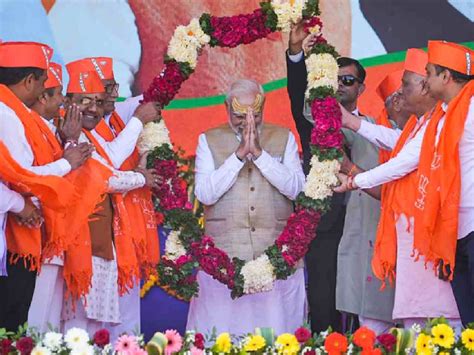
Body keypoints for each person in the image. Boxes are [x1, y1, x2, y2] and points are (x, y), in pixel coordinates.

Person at [335, 47, 461, 330]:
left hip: (429, 243)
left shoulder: (441, 122)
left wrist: (354, 178)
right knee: (417, 328)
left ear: (427, 87)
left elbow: (402, 162)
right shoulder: (423, 124)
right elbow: (396, 141)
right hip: (412, 247)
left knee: (439, 329)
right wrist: (352, 122)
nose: (401, 93)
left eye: (407, 84)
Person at [187, 79, 306, 335]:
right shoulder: (207, 140)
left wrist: (261, 156)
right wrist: (238, 156)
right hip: (224, 259)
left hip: (275, 257)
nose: (247, 121)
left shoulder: (284, 137)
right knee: (221, 336)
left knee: (276, 335)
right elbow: (205, 194)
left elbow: (297, 189)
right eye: (239, 114)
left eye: (256, 113)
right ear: (226, 107)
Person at [64, 57, 161, 337]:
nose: (97, 104)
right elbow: (104, 177)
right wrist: (142, 177)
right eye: (86, 99)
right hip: (75, 241)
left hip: (101, 236)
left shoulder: (98, 129)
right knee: (74, 326)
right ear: (66, 100)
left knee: (96, 326)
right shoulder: (70, 132)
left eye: (104, 92)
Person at [0, 41, 91, 331]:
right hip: (16, 237)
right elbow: (24, 175)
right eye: (43, 82)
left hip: (15, 236)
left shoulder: (15, 113)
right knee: (12, 326)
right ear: (29, 81)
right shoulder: (7, 115)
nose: (44, 93)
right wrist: (67, 162)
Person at [287, 23, 371, 332]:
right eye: (334, 79)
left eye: (348, 80)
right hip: (325, 226)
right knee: (323, 302)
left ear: (361, 87)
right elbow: (298, 95)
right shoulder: (312, 123)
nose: (340, 85)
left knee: (366, 306)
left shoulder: (374, 130)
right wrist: (296, 54)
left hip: (364, 226)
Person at [336, 69, 411, 335]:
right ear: (392, 103)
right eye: (397, 96)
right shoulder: (367, 128)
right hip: (370, 237)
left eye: (404, 93)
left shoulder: (424, 134)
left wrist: (353, 171)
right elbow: (319, 120)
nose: (402, 100)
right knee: (373, 328)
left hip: (413, 242)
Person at [415, 41, 473, 325]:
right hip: (453, 230)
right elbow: (409, 158)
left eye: (429, 73)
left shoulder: (472, 109)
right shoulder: (441, 117)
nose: (425, 80)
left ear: (446, 77)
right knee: (469, 320)